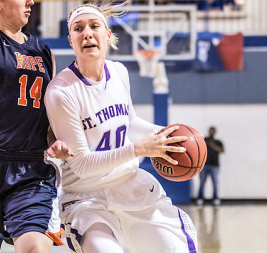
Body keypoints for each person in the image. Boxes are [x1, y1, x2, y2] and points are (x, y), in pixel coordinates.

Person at [44, 2, 198, 253]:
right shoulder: (61, 91)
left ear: (108, 35)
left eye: (94, 26)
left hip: (130, 183)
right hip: (86, 197)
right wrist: (138, 149)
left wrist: (167, 136)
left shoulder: (119, 72)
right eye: (78, 29)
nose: (87, 33)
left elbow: (129, 122)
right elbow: (82, 165)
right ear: (71, 40)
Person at [0, 0, 72, 252]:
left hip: (30, 170)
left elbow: (47, 115)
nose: (31, 1)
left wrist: (55, 140)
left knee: (34, 248)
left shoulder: (44, 52)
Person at [196, 126, 224, 206]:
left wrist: (212, 145)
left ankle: (215, 199)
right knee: (202, 183)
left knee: (215, 183)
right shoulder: (204, 140)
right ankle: (200, 199)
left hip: (214, 165)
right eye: (210, 131)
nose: (211, 132)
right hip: (204, 165)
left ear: (215, 132)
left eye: (213, 131)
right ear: (208, 131)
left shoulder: (218, 142)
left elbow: (221, 150)